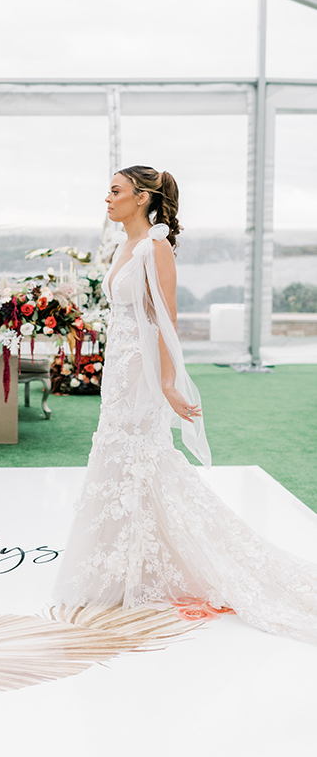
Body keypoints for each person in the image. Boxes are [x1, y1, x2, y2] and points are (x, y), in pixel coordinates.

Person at [53, 165, 317, 644]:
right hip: (119, 366)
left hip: (142, 373)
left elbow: (165, 320)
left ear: (141, 197)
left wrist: (169, 382)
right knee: (121, 457)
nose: (106, 199)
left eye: (115, 191)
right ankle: (124, 566)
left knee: (139, 456)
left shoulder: (156, 247)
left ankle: (141, 566)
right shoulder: (125, 246)